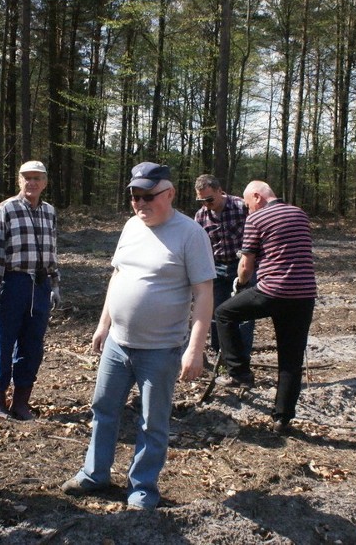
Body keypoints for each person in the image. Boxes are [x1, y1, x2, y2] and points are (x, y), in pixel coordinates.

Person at [61, 162, 214, 510]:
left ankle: (142, 487)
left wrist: (195, 348)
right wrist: (104, 324)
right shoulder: (131, 226)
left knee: (153, 421)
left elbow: (204, 293)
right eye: (135, 197)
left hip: (160, 349)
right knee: (103, 408)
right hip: (118, 343)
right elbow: (118, 276)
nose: (141, 203)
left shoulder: (191, 234)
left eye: (149, 196)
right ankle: (94, 474)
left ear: (170, 193)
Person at [215, 181, 317, 434]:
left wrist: (239, 284)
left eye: (248, 204)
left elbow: (246, 265)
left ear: (257, 197)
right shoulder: (299, 214)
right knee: (291, 358)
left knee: (224, 313)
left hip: (273, 291)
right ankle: (282, 419)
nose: (248, 210)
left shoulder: (257, 219)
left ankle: (239, 371)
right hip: (304, 295)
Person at [0, 160, 60, 421]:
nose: (32, 182)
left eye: (37, 178)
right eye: (27, 177)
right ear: (19, 180)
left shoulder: (49, 212)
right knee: (2, 342)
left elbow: (52, 251)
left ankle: (21, 401)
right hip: (12, 284)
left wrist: (55, 284)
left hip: (40, 284)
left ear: (45, 183)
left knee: (33, 344)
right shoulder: (6, 210)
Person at [194, 174, 256, 386]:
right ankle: (222, 358)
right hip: (216, 268)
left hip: (241, 267)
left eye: (209, 199)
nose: (206, 205)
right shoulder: (201, 216)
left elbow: (258, 236)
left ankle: (241, 363)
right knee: (217, 315)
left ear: (220, 191)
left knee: (244, 317)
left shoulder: (242, 207)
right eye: (201, 201)